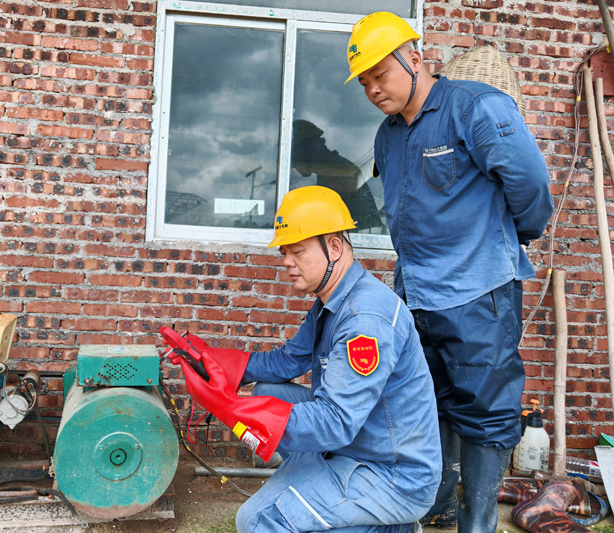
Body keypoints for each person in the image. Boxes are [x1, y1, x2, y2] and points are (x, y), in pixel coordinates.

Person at [344, 12, 554, 533]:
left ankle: (476, 521)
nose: (373, 89)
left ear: (414, 59)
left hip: (477, 292)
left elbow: (531, 189)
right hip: (416, 294)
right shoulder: (388, 136)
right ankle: (433, 505)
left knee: (484, 409)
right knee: (427, 401)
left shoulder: (476, 109)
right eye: (364, 81)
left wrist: (505, 240)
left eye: (380, 74)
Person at [163, 186, 441, 533]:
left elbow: (335, 422)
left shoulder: (364, 321)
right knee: (268, 391)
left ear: (334, 247)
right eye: (284, 252)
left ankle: (387, 525)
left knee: (257, 521)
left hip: (392, 473)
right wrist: (214, 362)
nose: (286, 262)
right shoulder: (332, 300)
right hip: (360, 441)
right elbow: (287, 363)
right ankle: (324, 499)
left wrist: (236, 409)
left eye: (297, 251)